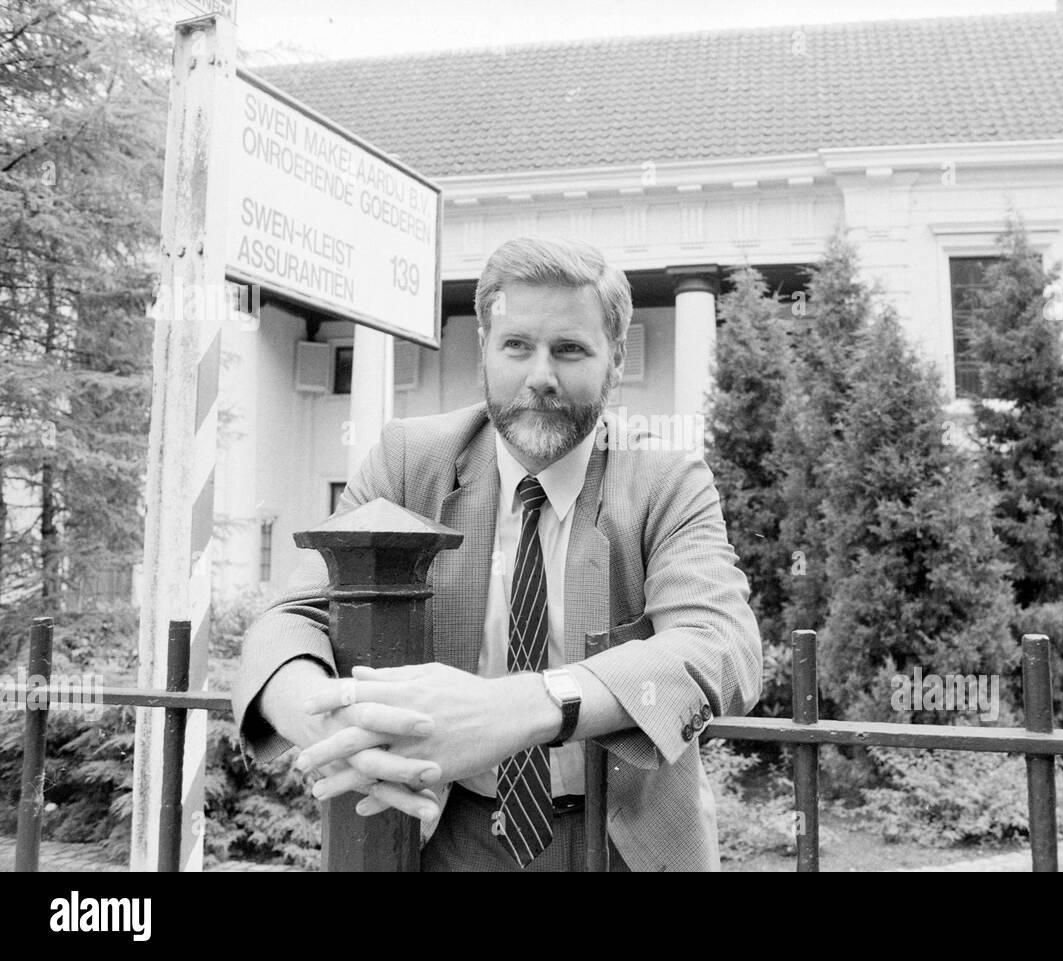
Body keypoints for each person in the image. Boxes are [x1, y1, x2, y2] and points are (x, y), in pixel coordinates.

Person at [232, 236, 763, 871]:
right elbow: (291, 619)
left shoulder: (666, 479)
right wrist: (327, 724)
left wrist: (519, 708)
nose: (541, 376)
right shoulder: (410, 459)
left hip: (623, 837)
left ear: (615, 362)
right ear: (484, 346)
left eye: (569, 349)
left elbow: (719, 644)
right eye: (517, 345)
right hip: (450, 833)